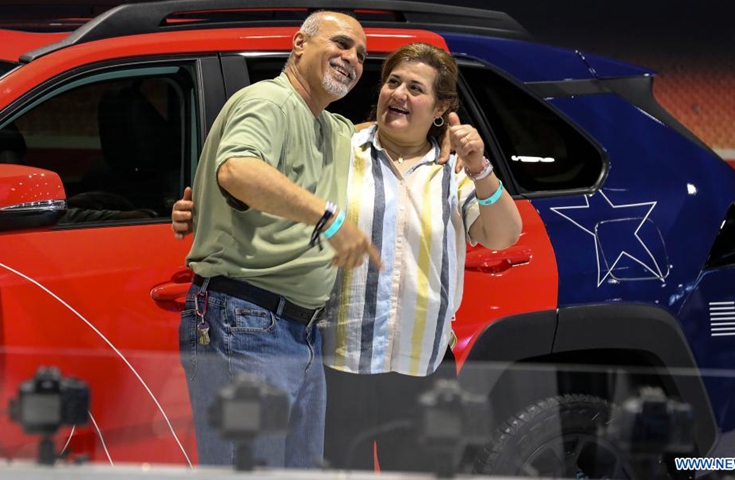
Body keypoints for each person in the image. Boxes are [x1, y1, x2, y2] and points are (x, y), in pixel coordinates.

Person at [173, 43, 522, 472]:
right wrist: (204, 209)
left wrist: (481, 166)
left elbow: (503, 234)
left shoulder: (452, 169)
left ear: (441, 108)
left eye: (416, 88)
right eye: (392, 82)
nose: (399, 94)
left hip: (423, 368)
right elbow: (270, 188)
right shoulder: (341, 147)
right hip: (337, 362)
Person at [179, 11, 381, 469]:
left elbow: (383, 135)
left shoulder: (331, 127)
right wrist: (329, 220)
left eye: (362, 55)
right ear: (299, 44)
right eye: (343, 44)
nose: (352, 59)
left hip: (298, 332)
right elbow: (238, 170)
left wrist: (444, 135)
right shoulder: (269, 101)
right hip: (246, 322)